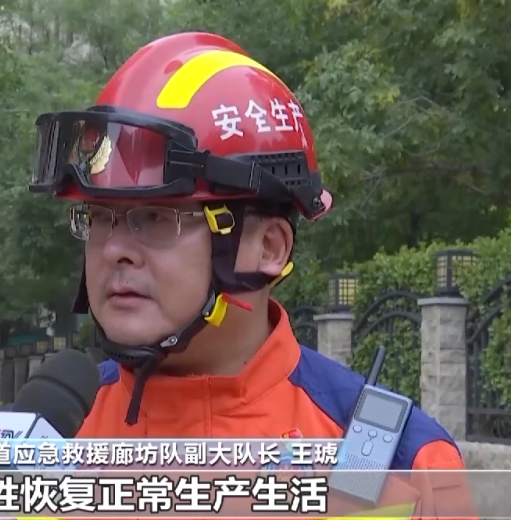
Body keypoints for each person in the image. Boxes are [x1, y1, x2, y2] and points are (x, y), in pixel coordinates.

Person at [28, 32, 474, 518]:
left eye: (155, 217)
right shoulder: (53, 435)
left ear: (268, 247)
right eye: (98, 218)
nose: (113, 250)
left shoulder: (402, 466)